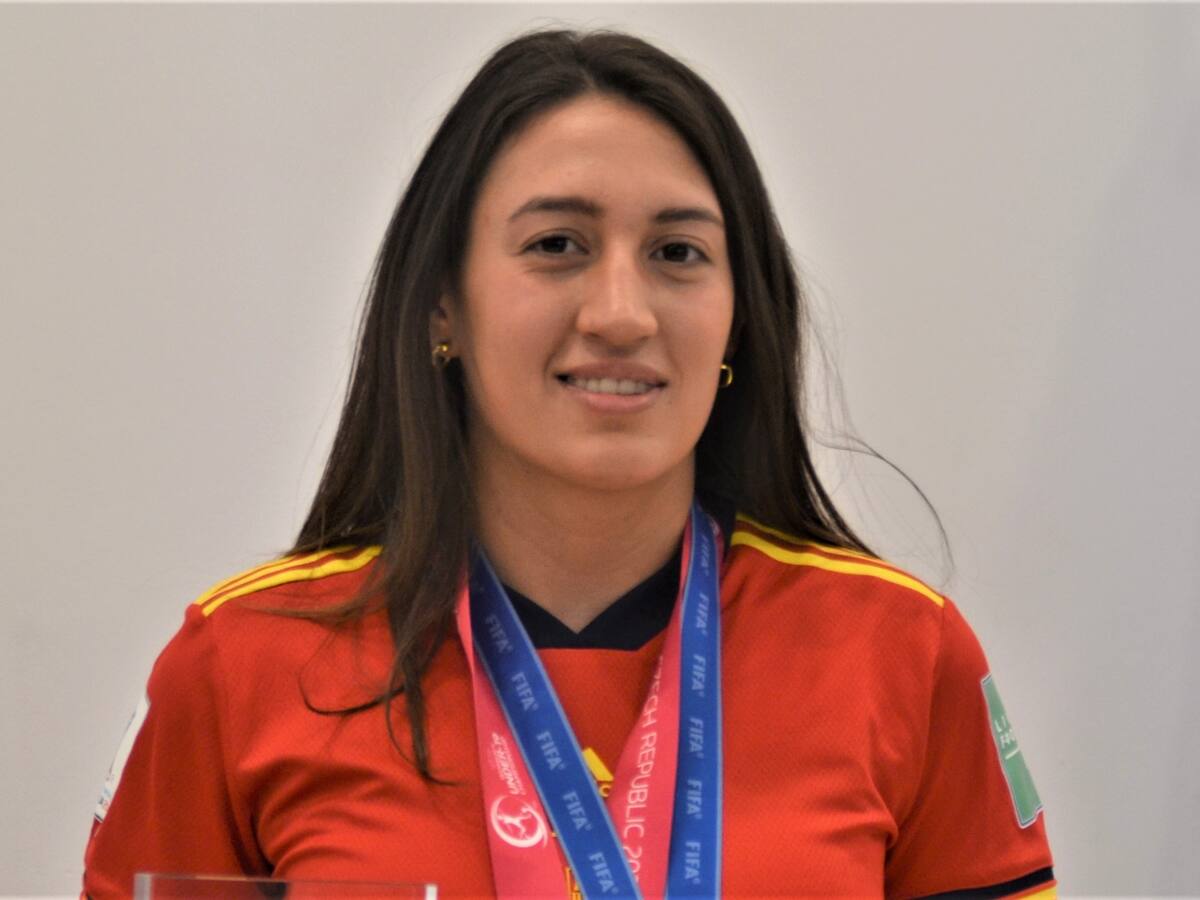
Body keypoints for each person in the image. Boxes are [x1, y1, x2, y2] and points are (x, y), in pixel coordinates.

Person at [82, 28, 1055, 899]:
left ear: (738, 317)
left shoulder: (902, 655)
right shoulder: (240, 668)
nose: (622, 314)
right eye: (557, 245)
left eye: (678, 252)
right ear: (442, 305)